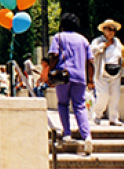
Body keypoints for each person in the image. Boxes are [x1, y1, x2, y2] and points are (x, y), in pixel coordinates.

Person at [46, 13, 94, 155]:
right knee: (79, 105)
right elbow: (90, 61)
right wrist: (90, 80)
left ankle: (67, 133)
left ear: (63, 25)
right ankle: (87, 136)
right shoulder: (84, 40)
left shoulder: (59, 37)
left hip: (63, 76)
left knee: (63, 104)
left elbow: (54, 55)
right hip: (80, 76)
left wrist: (50, 72)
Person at [91, 19, 124, 126]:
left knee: (115, 96)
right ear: (104, 30)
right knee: (103, 95)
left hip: (116, 72)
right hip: (102, 73)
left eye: (113, 29)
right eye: (109, 29)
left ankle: (114, 118)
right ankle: (97, 115)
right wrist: (103, 46)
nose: (111, 32)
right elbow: (91, 52)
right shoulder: (97, 41)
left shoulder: (117, 42)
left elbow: (123, 53)